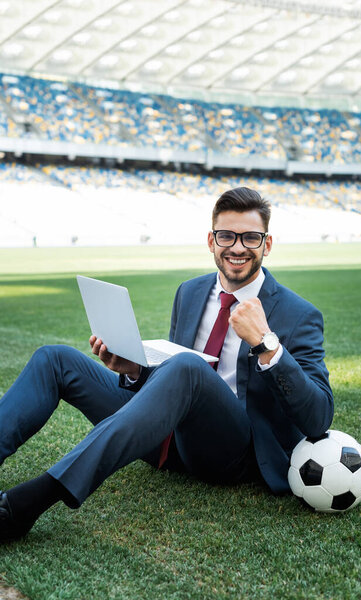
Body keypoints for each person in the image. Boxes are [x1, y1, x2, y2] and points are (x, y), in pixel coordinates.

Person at [0, 187, 333, 543]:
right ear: (211, 241)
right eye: (227, 236)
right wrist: (134, 370)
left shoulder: (299, 315)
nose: (238, 247)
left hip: (231, 451)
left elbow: (318, 417)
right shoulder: (190, 292)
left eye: (251, 237)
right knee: (55, 359)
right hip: (168, 437)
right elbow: (170, 380)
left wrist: (267, 343)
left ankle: (26, 504)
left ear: (266, 245)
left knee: (189, 367)